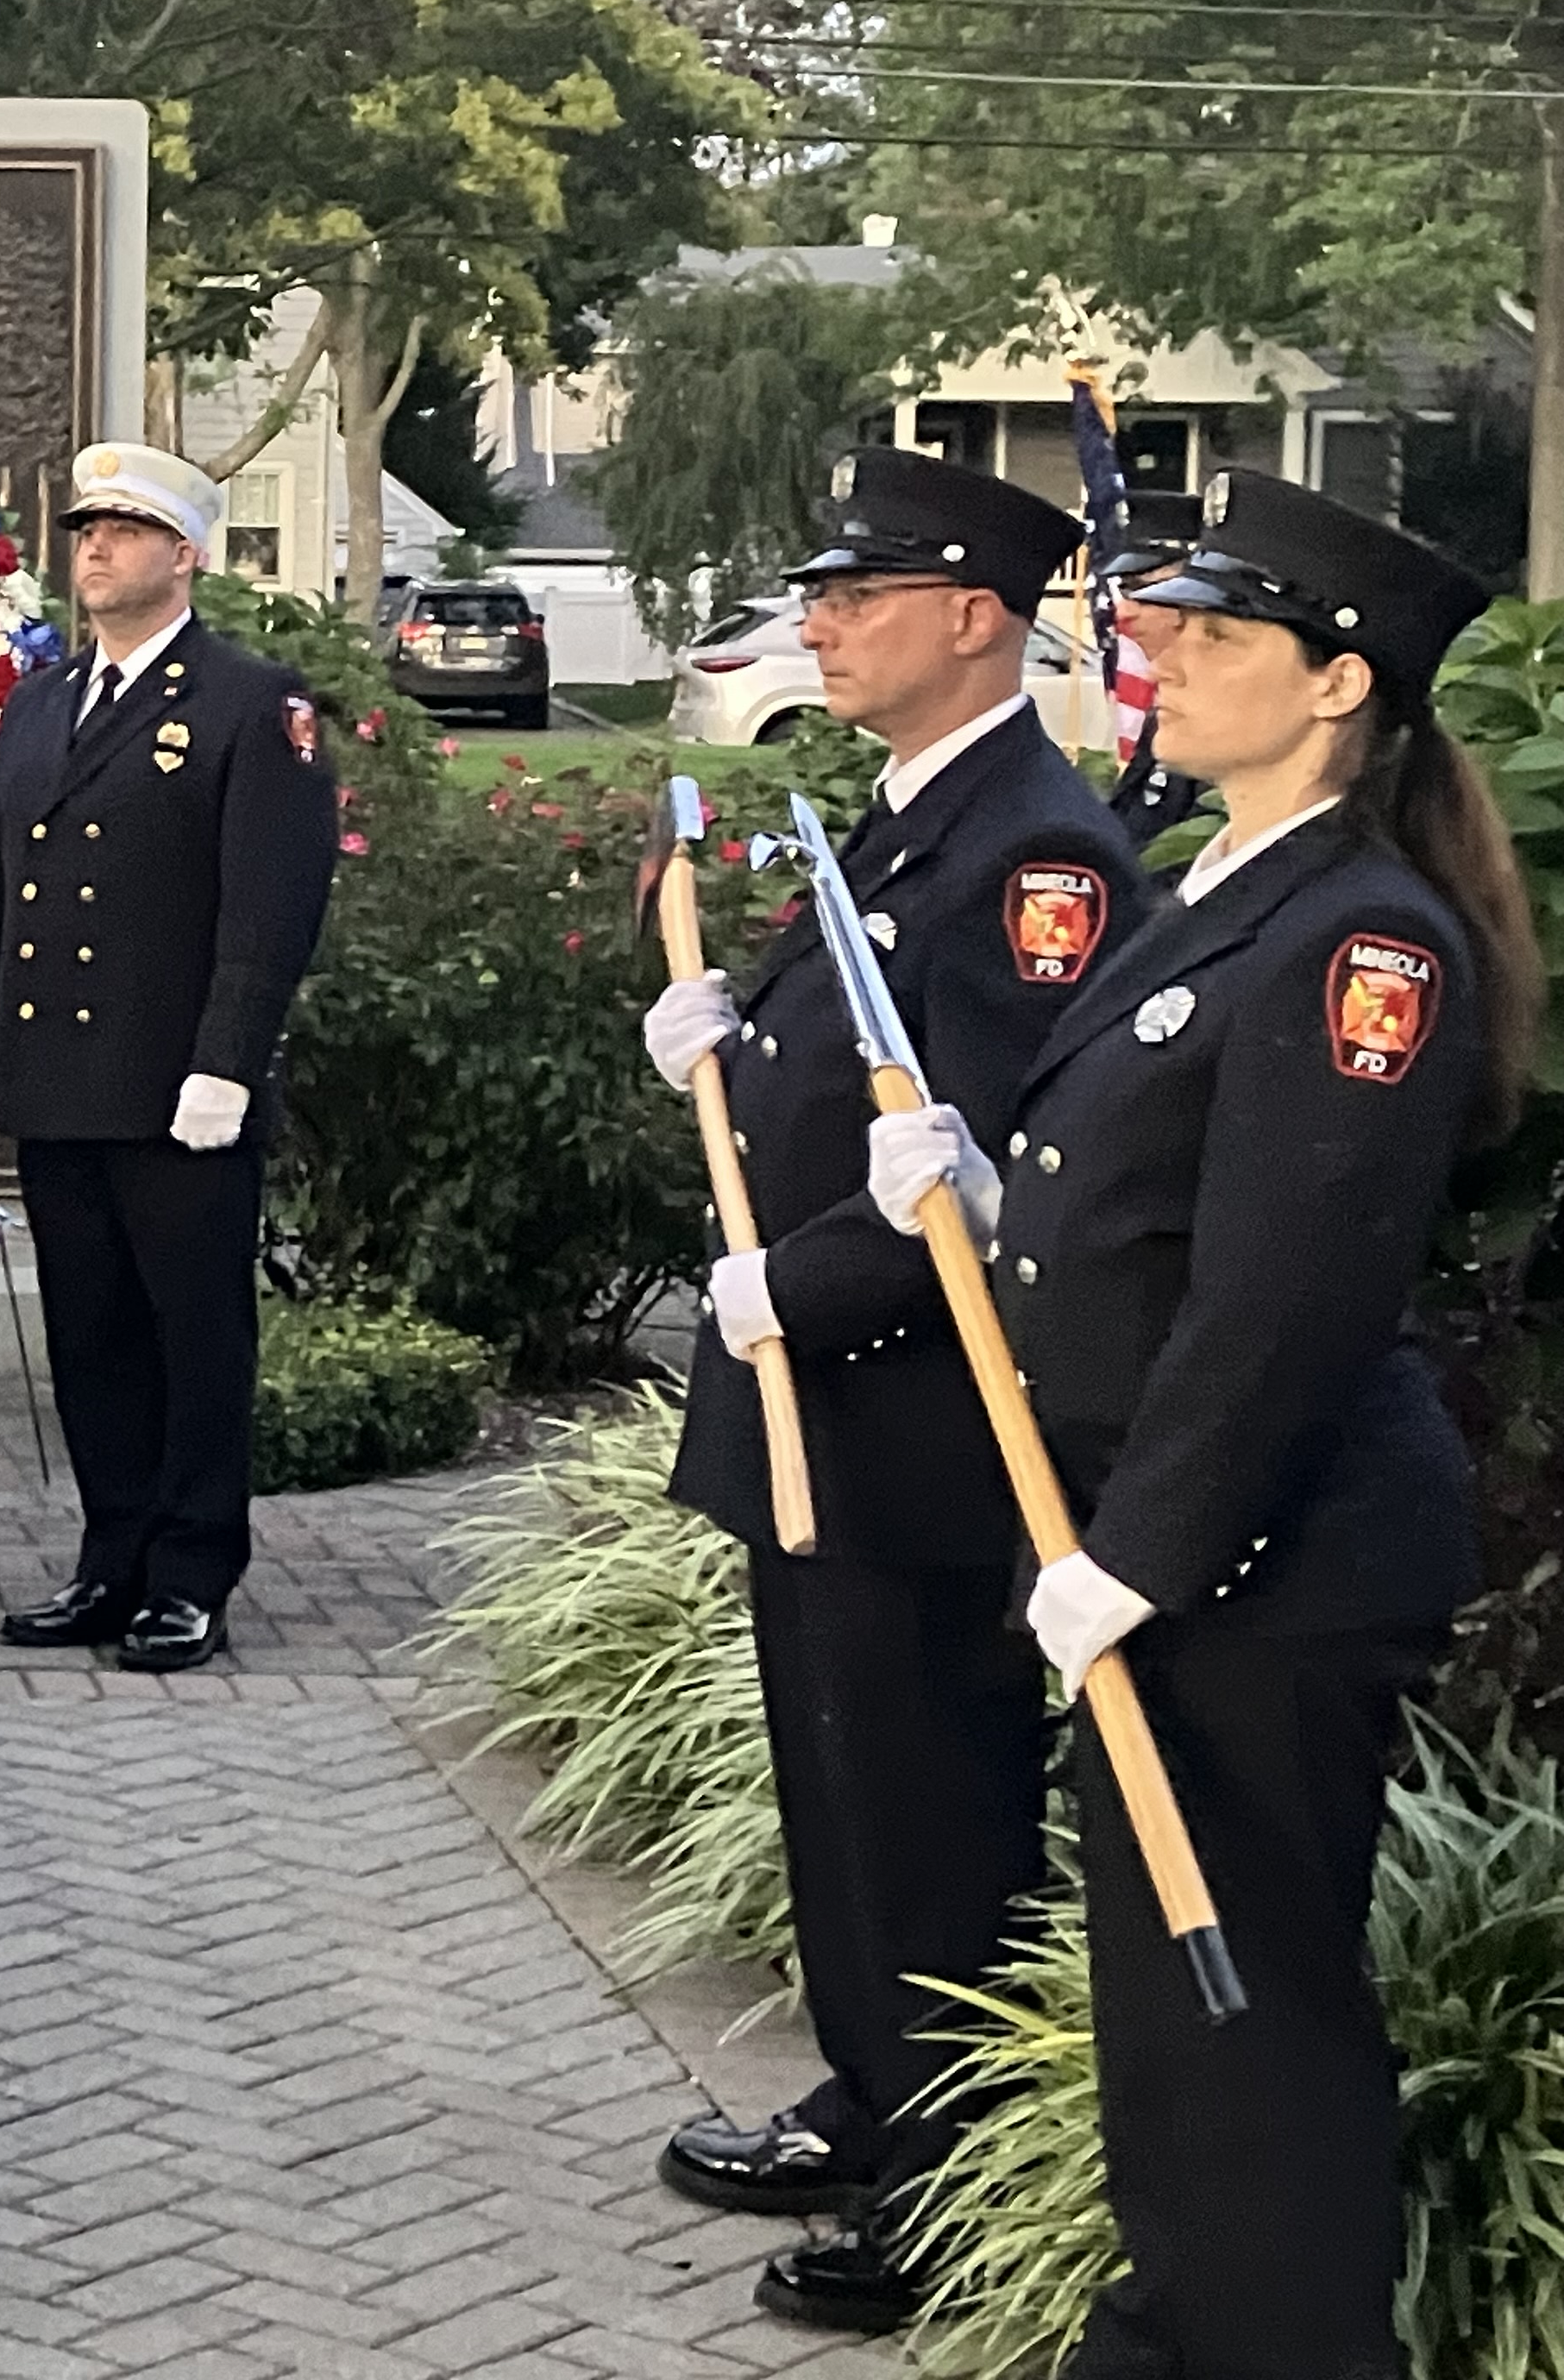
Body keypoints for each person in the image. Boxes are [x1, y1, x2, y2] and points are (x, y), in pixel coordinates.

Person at [868, 474, 1528, 2380]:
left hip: (1262, 1562)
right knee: (1173, 2008)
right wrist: (987, 1200)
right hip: (1159, 1541)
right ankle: (1179, 2336)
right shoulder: (1231, 889)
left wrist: (1144, 1554)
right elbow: (1149, 1209)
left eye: (1215, 640)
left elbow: (1285, 1300)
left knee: (1255, 2018)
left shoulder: (1364, 939)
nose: (1160, 662)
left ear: (1341, 687)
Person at [644, 448, 1149, 2334]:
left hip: (917, 1411)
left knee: (931, 1803)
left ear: (975, 618)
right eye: (822, 599)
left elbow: (992, 1156)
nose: (823, 629)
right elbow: (840, 1063)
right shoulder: (915, 813)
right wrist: (724, 1033)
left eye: (860, 598)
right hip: (817, 1406)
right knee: (843, 1781)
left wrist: (804, 1283)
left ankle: (945, 2179)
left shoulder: (1036, 852)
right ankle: (876, 2099)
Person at [0, 442, 336, 1675]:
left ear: (185, 555)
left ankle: (190, 1572)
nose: (94, 548)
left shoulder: (249, 705)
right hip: (58, 1084)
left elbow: (272, 904)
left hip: (177, 1095)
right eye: (85, 529)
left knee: (195, 1338)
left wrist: (227, 1062)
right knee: (93, 1337)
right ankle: (111, 1561)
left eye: (123, 530)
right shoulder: (43, 703)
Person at [1102, 487, 1208, 842]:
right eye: (1124, 592)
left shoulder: (1227, 717)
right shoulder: (1170, 704)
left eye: (1143, 592)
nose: (1123, 613)